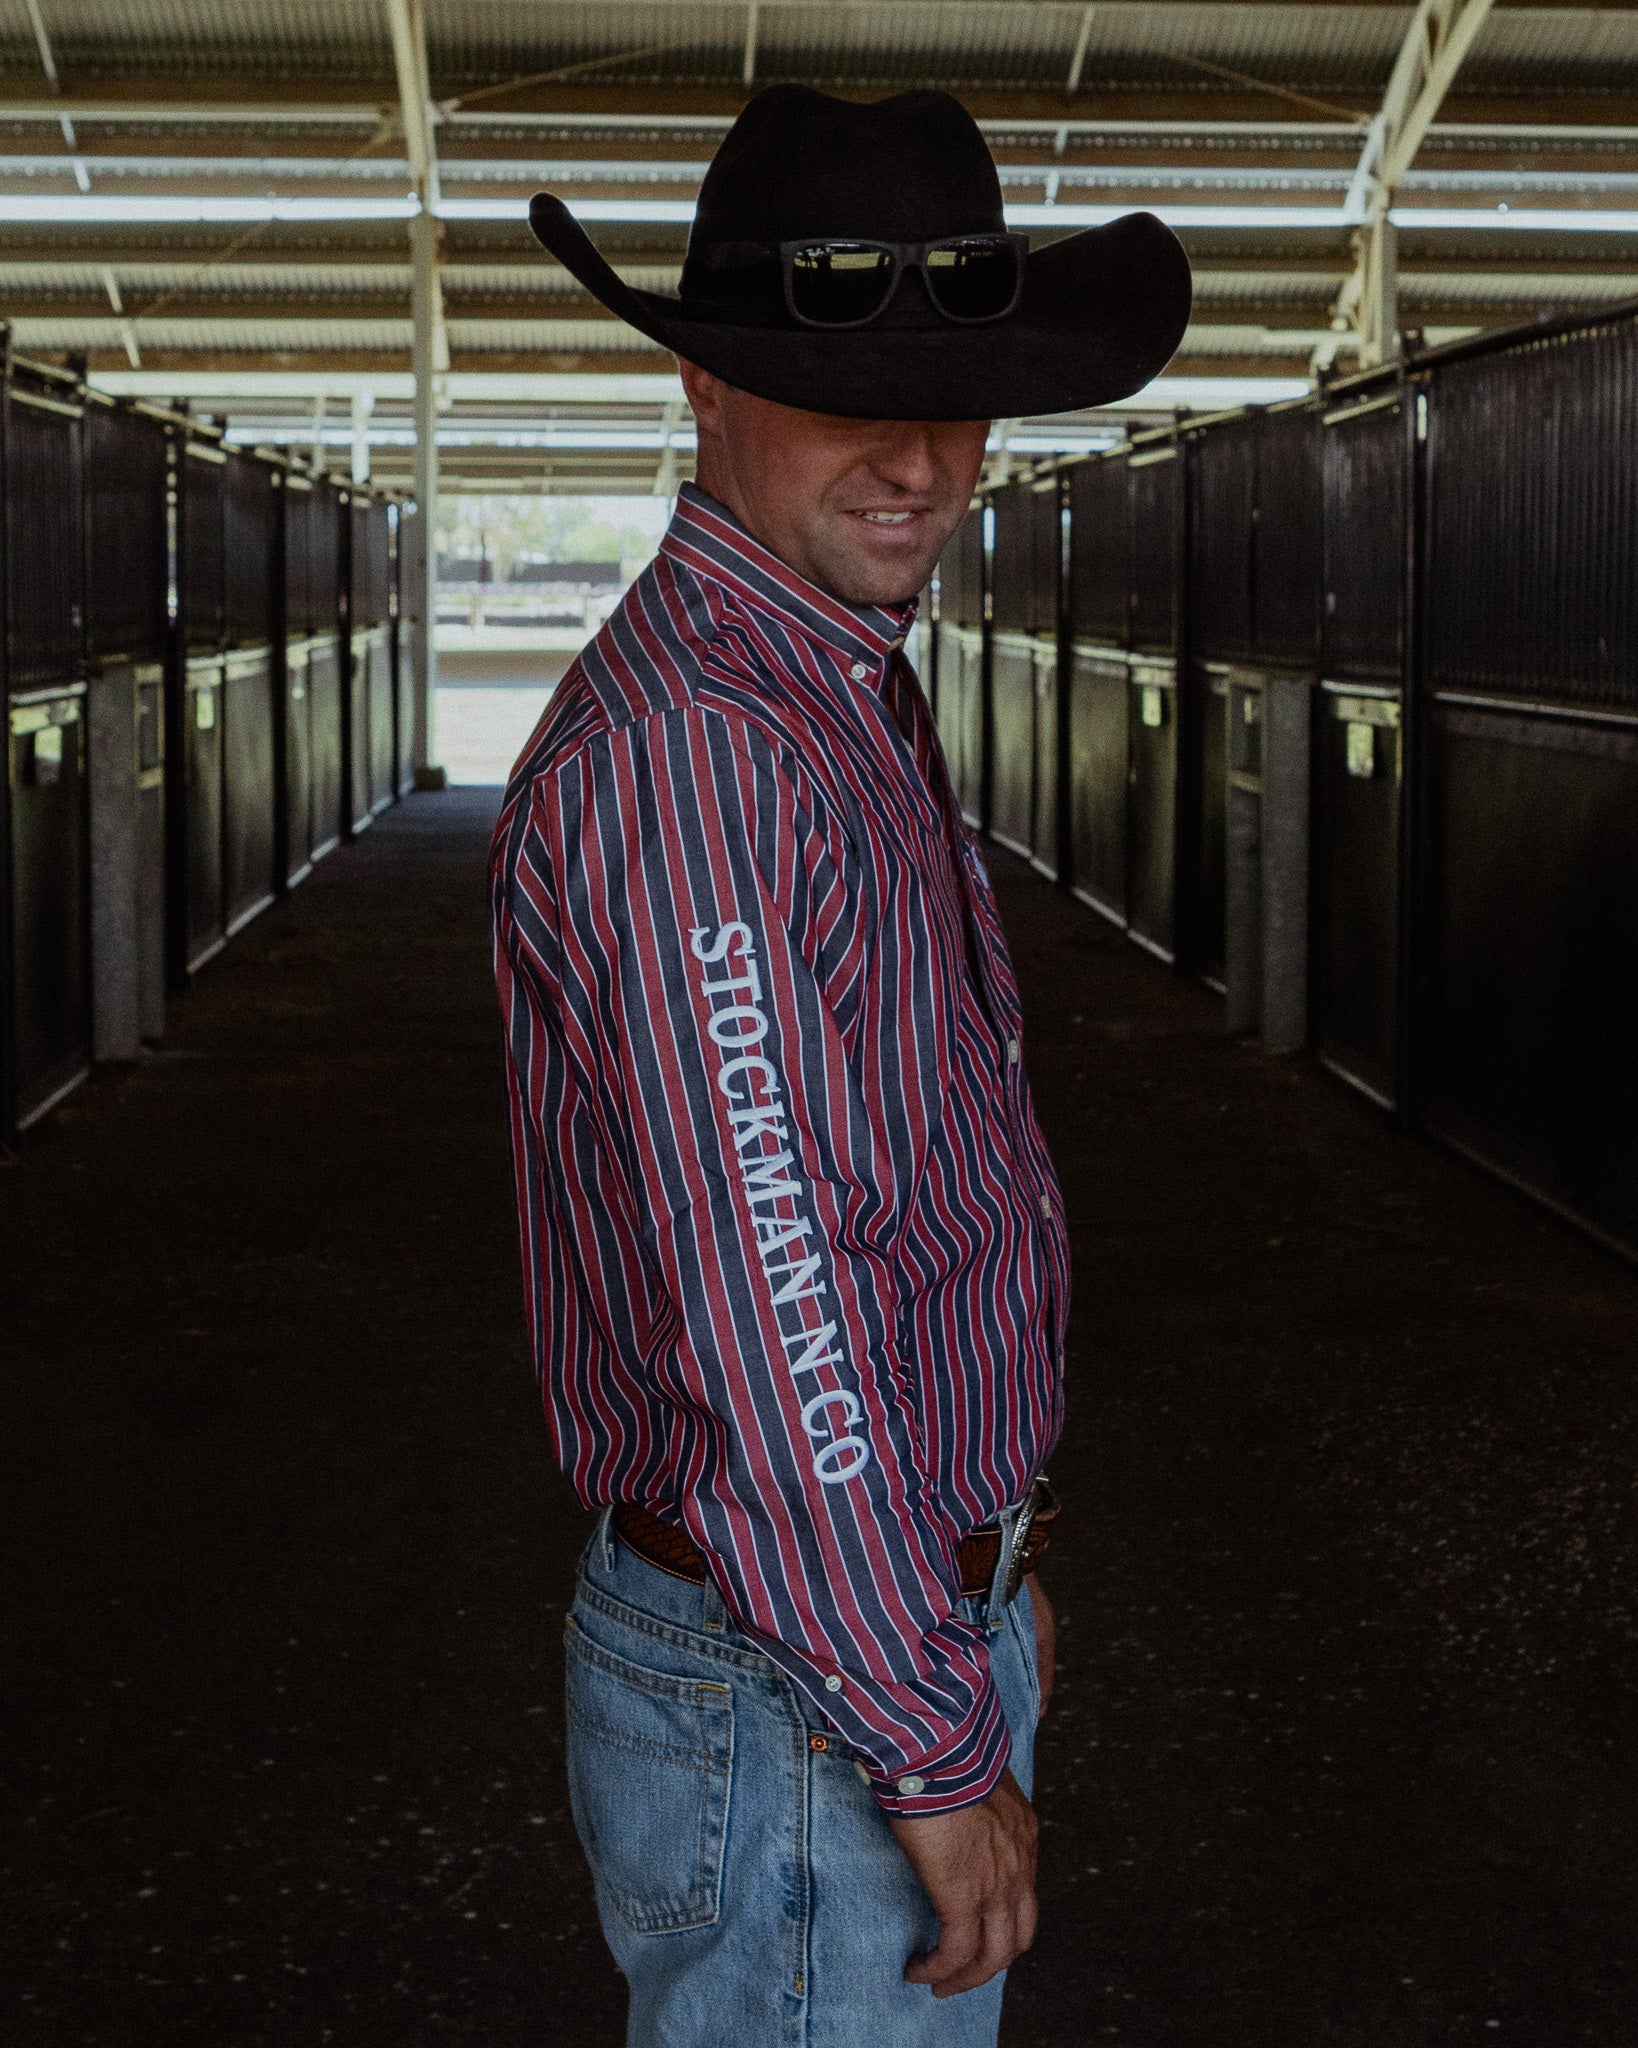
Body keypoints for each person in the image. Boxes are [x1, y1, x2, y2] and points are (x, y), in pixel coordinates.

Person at [491, 83, 1190, 2047]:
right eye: (842, 391)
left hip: (858, 1619)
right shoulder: (708, 749)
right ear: (706, 394)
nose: (921, 458)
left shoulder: (820, 685)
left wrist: (991, 1556)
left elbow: (898, 1194)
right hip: (793, 1682)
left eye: (957, 394)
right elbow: (771, 1286)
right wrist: (921, 1713)